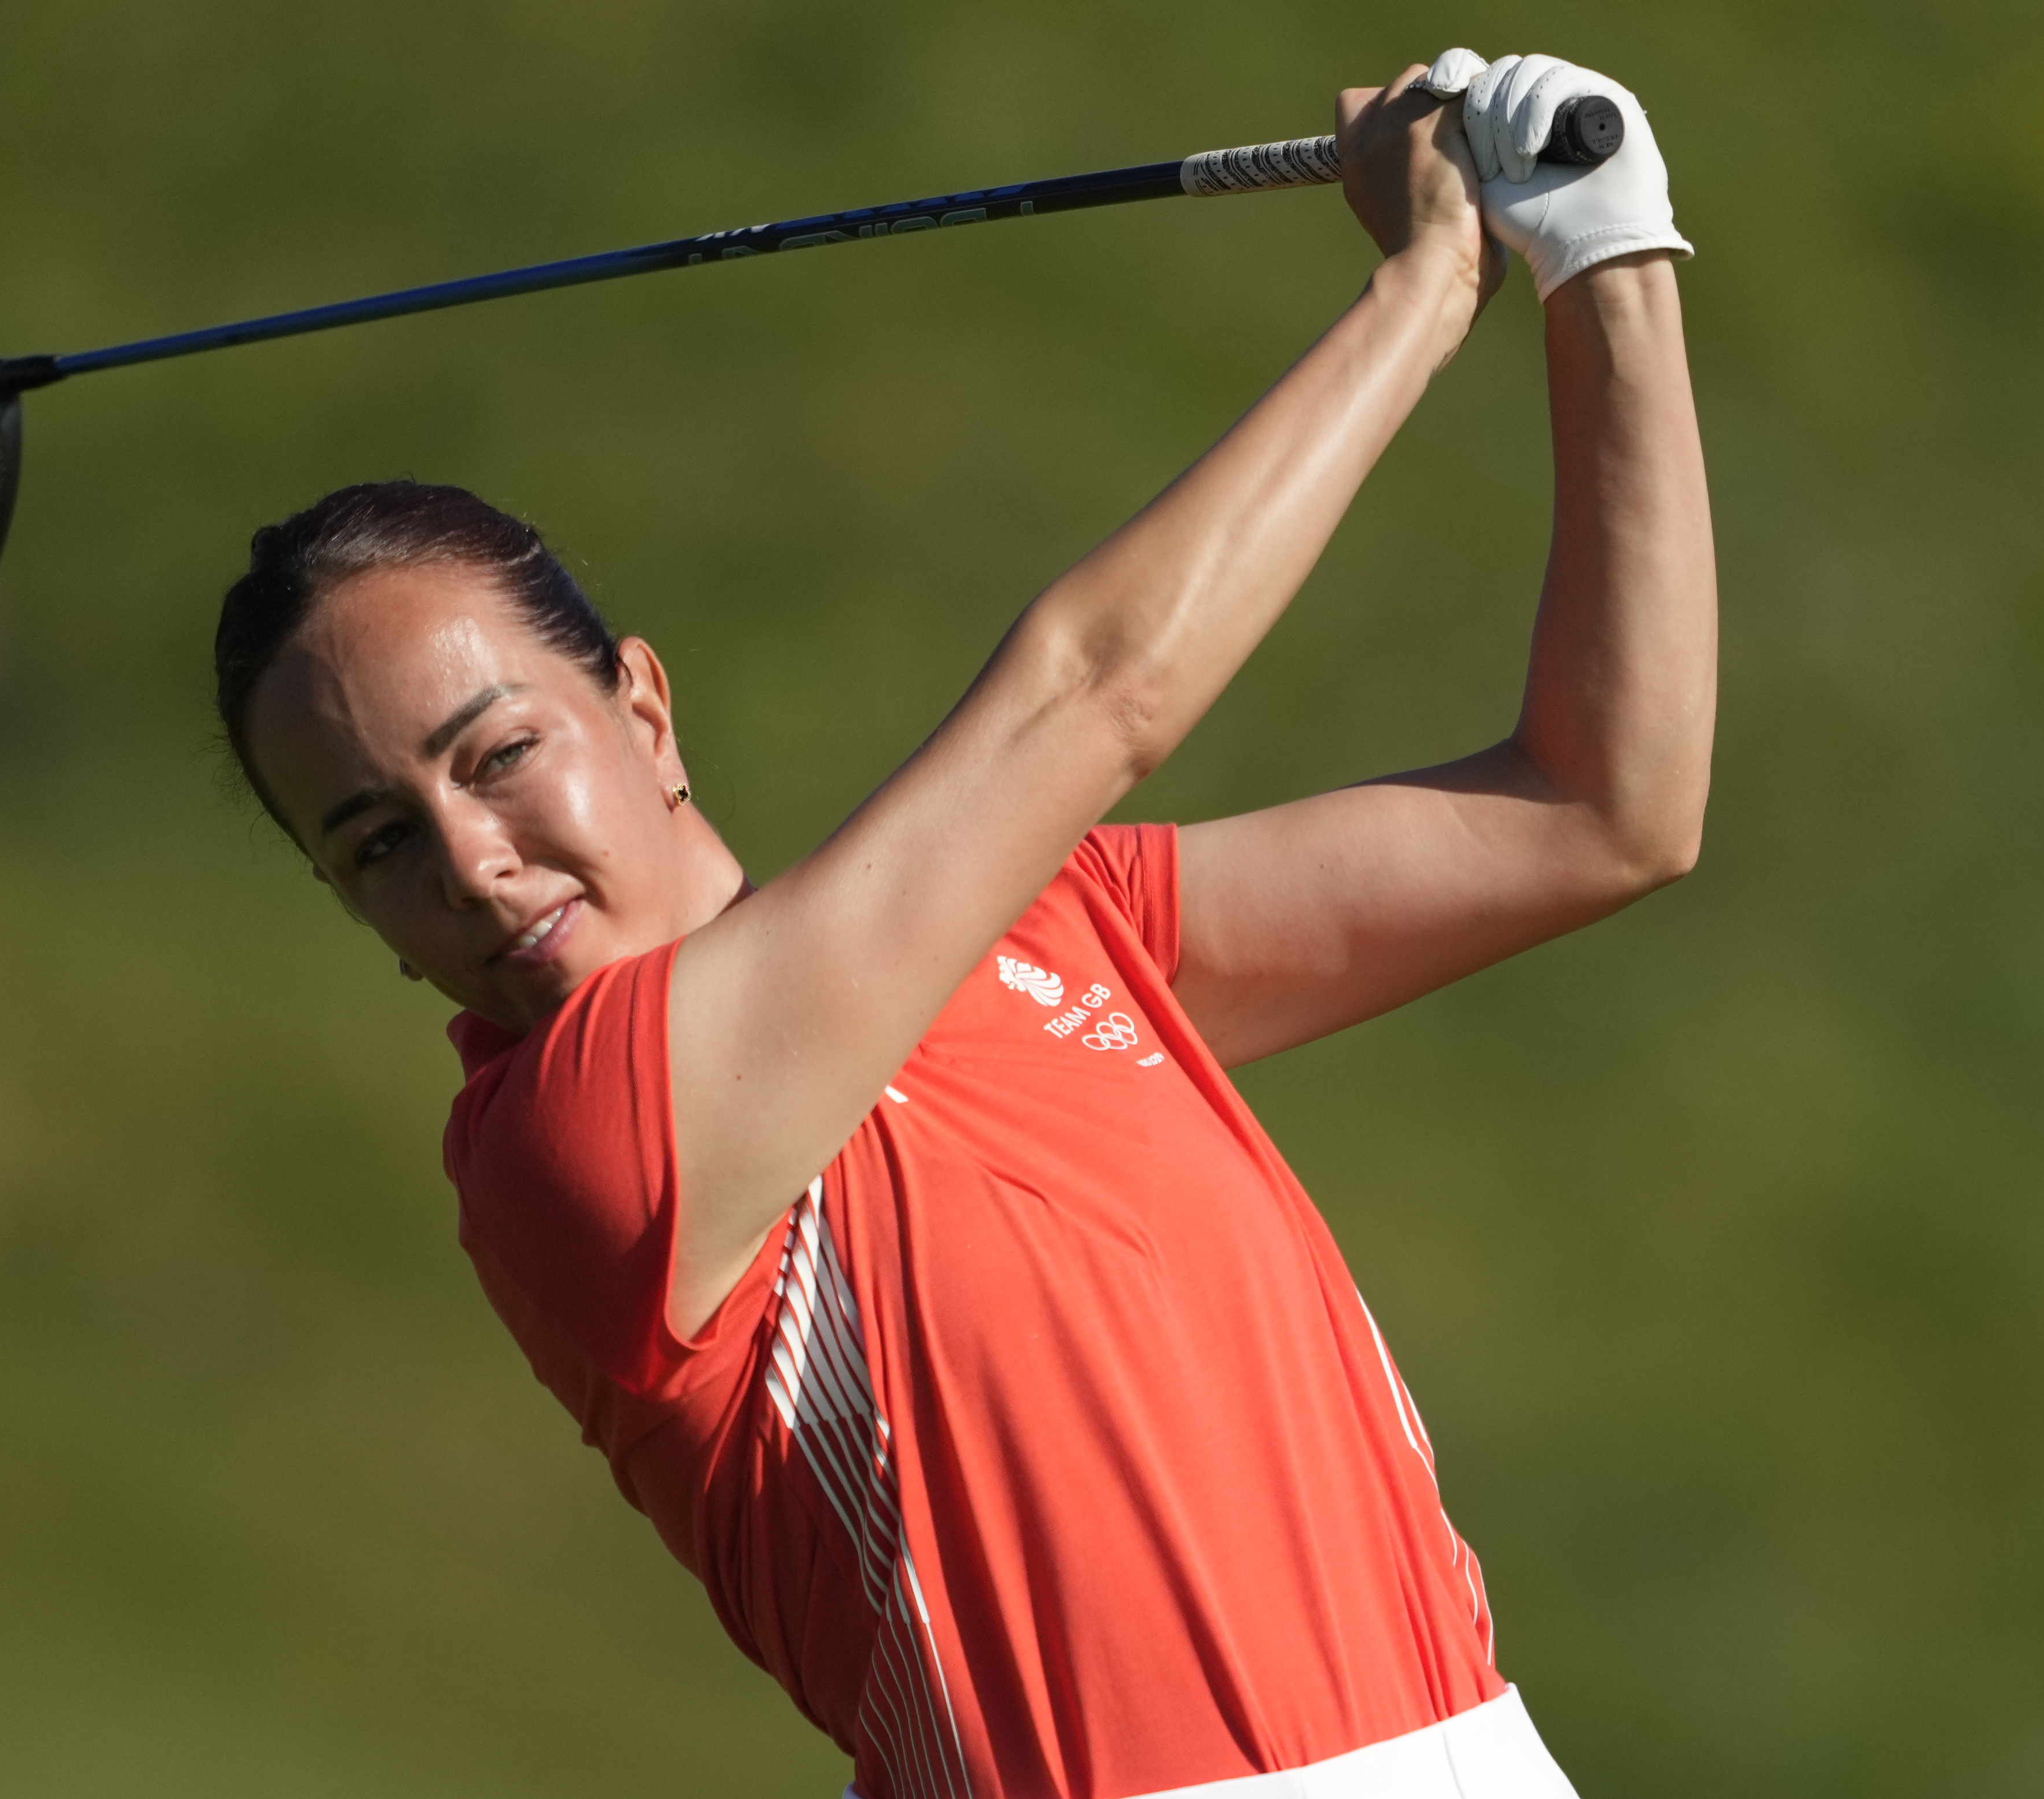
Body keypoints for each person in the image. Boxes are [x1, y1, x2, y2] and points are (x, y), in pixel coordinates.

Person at [212, 48, 1712, 1799]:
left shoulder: (1059, 926)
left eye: (501, 755)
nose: (472, 864)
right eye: (380, 842)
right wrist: (1427, 286)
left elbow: (1605, 807)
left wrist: (1607, 261)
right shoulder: (578, 1147)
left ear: (643, 706)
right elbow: (1097, 689)